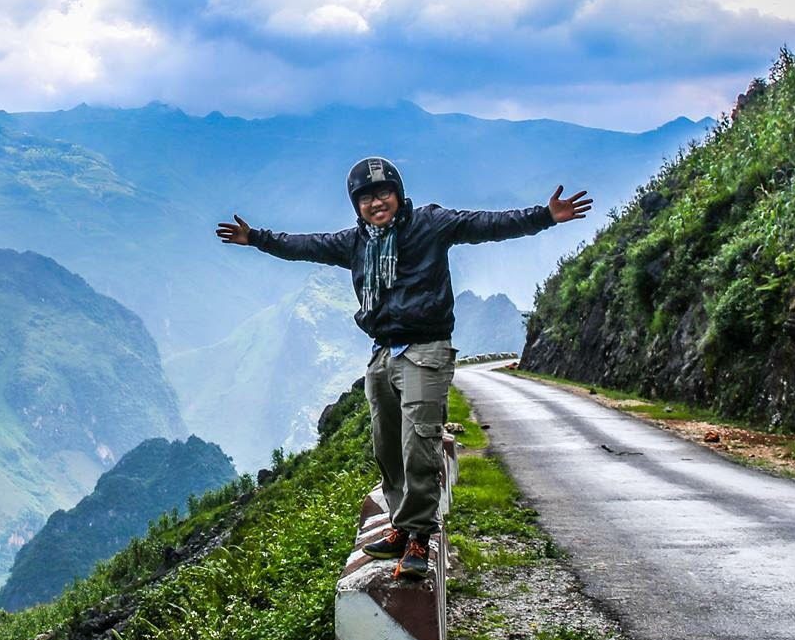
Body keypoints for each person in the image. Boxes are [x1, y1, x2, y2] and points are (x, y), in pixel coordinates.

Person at [217, 157, 591, 579]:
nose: (376, 203)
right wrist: (257, 239)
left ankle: (418, 536)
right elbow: (306, 245)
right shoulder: (355, 243)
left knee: (418, 443)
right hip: (382, 353)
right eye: (366, 197)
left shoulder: (430, 223)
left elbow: (486, 224)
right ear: (356, 204)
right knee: (387, 446)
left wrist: (544, 216)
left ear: (398, 193)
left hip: (425, 349)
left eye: (383, 193)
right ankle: (399, 524)